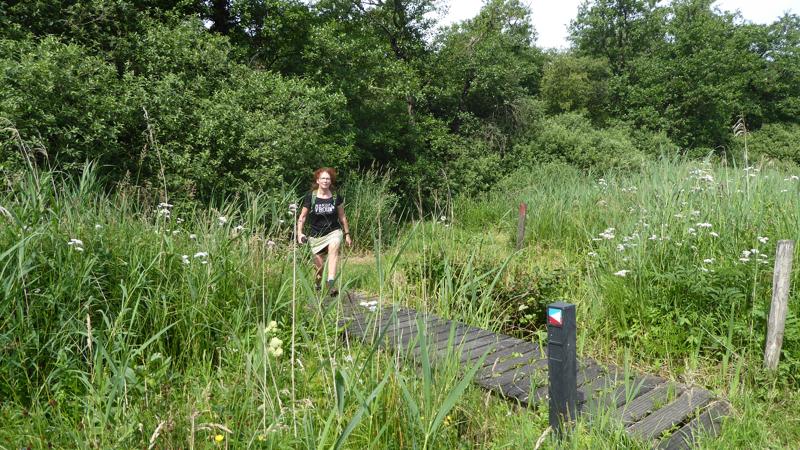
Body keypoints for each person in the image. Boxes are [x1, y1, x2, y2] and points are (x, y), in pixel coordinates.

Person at [296, 167, 352, 295]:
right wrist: (299, 233)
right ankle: (317, 283)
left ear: (331, 181)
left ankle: (331, 281)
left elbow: (342, 216)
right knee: (319, 269)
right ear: (318, 181)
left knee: (334, 247)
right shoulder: (311, 196)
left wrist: (347, 234)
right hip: (316, 235)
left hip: (334, 231)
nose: (326, 181)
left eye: (328, 178)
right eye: (323, 178)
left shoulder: (336, 197)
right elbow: (302, 217)